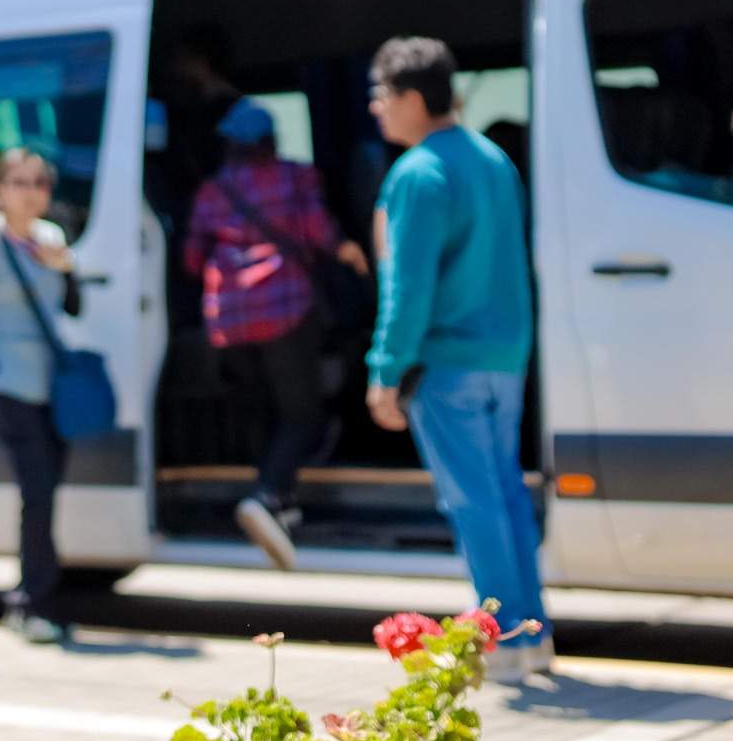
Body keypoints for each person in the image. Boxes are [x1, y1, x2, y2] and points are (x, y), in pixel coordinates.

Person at [363, 36, 548, 679]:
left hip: (448, 360)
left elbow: (405, 286)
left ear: (413, 98)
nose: (375, 108)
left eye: (381, 95)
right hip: (505, 353)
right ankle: (534, 634)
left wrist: (385, 370)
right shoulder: (494, 159)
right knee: (504, 494)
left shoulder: (417, 172)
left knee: (472, 501)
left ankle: (502, 643)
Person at [182, 99, 368, 571]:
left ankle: (274, 498)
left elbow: (190, 259)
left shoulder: (212, 191)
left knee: (260, 407)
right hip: (285, 310)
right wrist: (350, 253)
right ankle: (266, 498)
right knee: (302, 414)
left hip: (229, 318)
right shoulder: (295, 177)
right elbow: (316, 232)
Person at [0, 148, 82, 644]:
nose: (32, 192)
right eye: (20, 182)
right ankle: (31, 602)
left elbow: (72, 307)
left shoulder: (51, 238)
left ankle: (38, 597)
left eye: (40, 183)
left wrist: (67, 269)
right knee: (38, 492)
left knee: (47, 493)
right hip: (14, 387)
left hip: (55, 386)